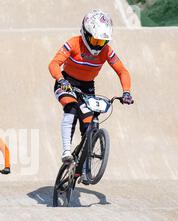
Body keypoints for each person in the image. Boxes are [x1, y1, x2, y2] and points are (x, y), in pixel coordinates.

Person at [48, 9, 134, 167]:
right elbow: (54, 64)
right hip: (66, 82)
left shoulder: (106, 51)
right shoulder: (73, 43)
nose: (98, 46)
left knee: (89, 124)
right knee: (72, 108)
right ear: (85, 33)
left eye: (102, 42)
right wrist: (60, 79)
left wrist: (126, 92)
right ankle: (66, 151)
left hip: (87, 88)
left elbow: (122, 71)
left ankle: (85, 165)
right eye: (95, 41)